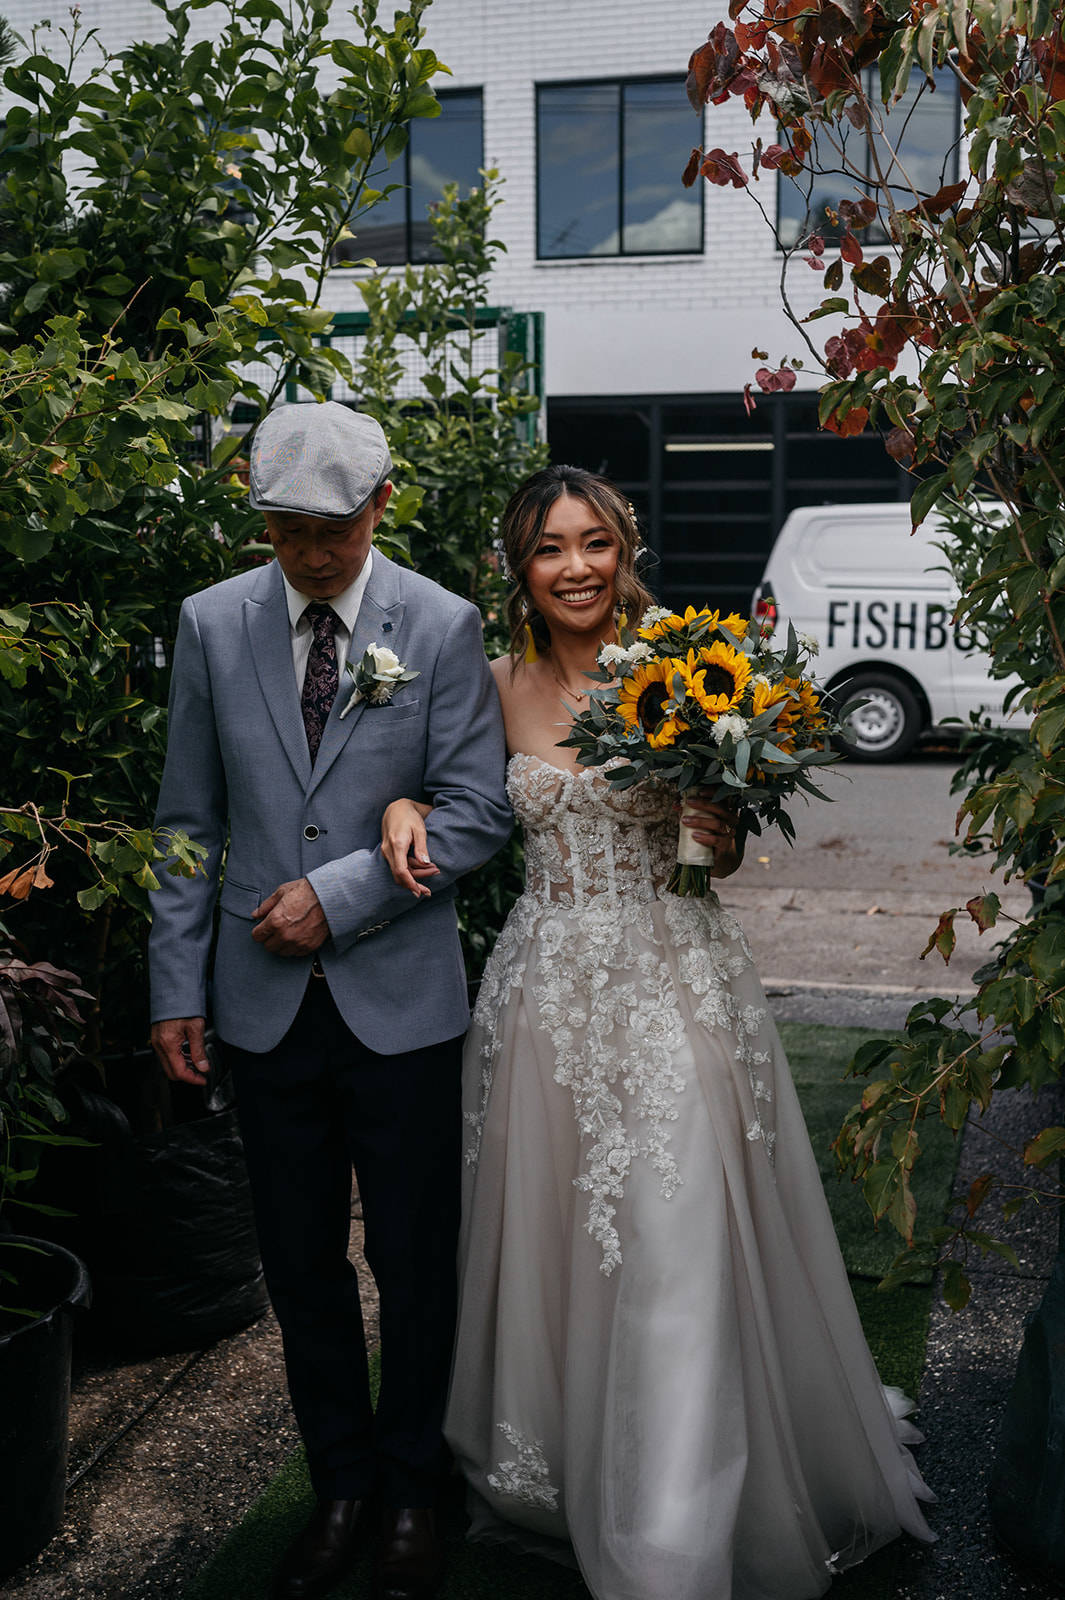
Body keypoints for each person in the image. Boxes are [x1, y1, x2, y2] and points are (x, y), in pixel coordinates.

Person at [380, 463, 935, 1600]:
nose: (576, 566)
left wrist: (714, 826)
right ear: (519, 570)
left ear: (624, 549)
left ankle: (676, 1518)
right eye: (549, 548)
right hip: (543, 987)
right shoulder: (487, 686)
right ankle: (566, 1457)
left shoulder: (686, 674)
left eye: (594, 542)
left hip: (675, 972)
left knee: (677, 1230)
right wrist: (400, 805)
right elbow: (433, 793)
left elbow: (719, 856)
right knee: (552, 1236)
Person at [148, 402, 512, 1600]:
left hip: (401, 1003)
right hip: (256, 1007)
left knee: (414, 1260)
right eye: (284, 527)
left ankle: (416, 1489)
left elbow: (474, 810)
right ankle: (339, 1484)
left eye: (332, 527)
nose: (308, 551)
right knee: (299, 1265)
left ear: (382, 506)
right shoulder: (210, 623)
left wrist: (338, 894)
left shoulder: (445, 624)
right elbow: (187, 824)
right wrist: (173, 988)